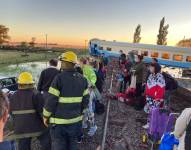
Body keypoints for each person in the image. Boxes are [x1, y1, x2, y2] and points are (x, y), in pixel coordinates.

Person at [43, 51, 89, 150]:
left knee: (59, 146)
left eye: (62, 61)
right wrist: (80, 115)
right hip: (75, 122)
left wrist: (45, 116)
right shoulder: (83, 79)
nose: (61, 63)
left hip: (59, 124)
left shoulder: (58, 78)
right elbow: (85, 101)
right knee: (73, 144)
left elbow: (51, 100)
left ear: (64, 62)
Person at [10, 72, 49, 150]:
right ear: (31, 83)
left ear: (19, 84)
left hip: (20, 128)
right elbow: (42, 113)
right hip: (36, 127)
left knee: (23, 145)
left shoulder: (13, 96)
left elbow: (11, 113)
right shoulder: (36, 94)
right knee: (46, 138)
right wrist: (47, 123)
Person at [143, 63, 166, 129]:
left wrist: (157, 98)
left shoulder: (160, 77)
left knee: (154, 111)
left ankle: (152, 125)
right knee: (150, 110)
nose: (150, 68)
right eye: (150, 67)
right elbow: (148, 85)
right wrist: (146, 94)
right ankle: (150, 124)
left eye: (151, 67)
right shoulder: (151, 75)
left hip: (155, 98)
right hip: (149, 96)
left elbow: (161, 89)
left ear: (155, 68)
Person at [79, 57, 98, 136]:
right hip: (84, 92)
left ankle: (93, 126)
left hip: (89, 92)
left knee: (88, 109)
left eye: (79, 62)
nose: (78, 64)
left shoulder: (88, 69)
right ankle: (84, 123)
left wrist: (91, 85)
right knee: (84, 108)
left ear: (82, 62)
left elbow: (93, 78)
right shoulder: (82, 69)